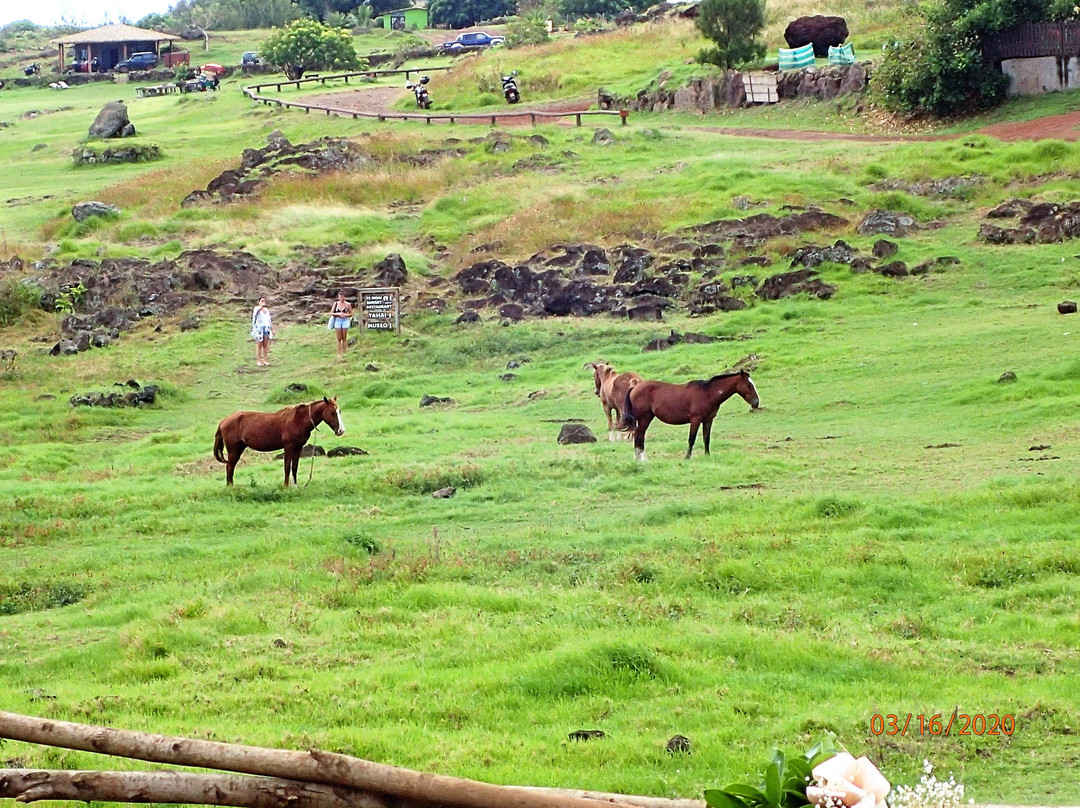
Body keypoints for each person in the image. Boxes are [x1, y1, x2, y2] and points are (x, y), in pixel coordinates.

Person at [328, 291, 353, 357]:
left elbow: (351, 314)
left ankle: (344, 352)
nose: (341, 298)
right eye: (340, 297)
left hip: (345, 320)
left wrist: (345, 315)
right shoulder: (336, 304)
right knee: (339, 338)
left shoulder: (348, 304)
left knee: (344, 338)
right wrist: (338, 314)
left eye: (342, 297)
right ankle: (339, 353)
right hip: (338, 321)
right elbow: (331, 313)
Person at [251, 297, 274, 366]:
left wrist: (272, 329)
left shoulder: (267, 310)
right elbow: (255, 315)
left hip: (266, 328)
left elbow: (269, 320)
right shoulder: (256, 308)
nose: (263, 302)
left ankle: (265, 360)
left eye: (264, 300)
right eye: (262, 300)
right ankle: (258, 360)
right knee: (259, 345)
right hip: (259, 328)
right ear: (258, 301)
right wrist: (261, 307)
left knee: (265, 345)